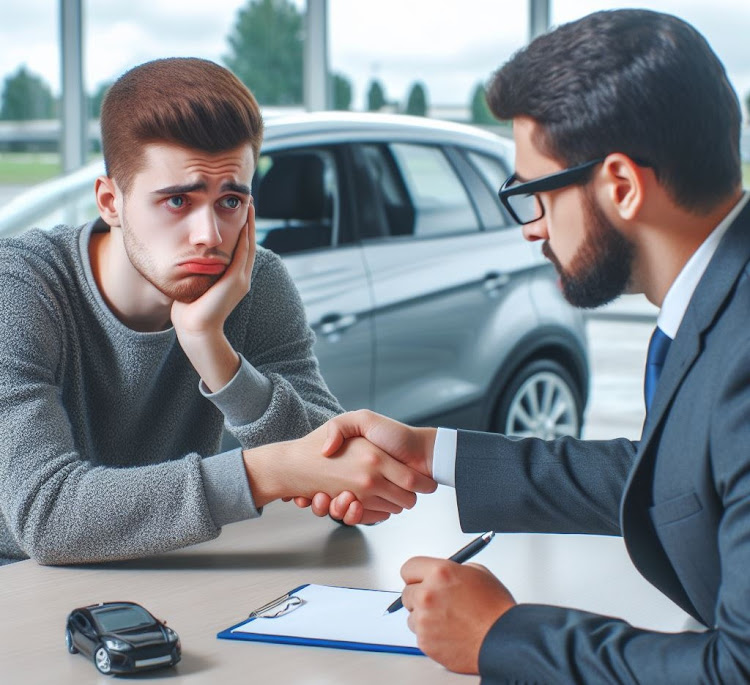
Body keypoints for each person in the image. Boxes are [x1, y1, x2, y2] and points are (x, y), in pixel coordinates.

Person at [299, 9, 750, 683]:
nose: (531, 230)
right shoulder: (722, 292)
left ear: (621, 185)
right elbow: (675, 475)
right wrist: (433, 451)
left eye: (534, 196)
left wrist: (501, 635)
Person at [0, 58, 435, 567]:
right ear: (110, 202)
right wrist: (267, 473)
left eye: (230, 201)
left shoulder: (255, 283)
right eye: (178, 200)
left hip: (170, 569)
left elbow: (344, 483)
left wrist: (214, 351)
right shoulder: (21, 287)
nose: (209, 235)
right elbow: (47, 517)